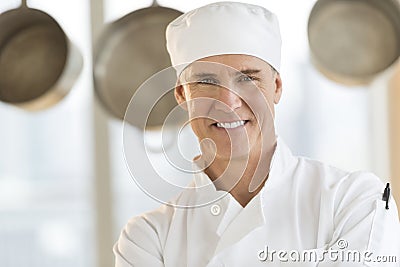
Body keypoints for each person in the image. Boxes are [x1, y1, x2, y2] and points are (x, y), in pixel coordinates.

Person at [114, 2, 400, 266]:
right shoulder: (148, 238)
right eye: (206, 81)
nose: (228, 102)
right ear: (181, 95)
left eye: (248, 78)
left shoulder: (355, 200)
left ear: (276, 87)